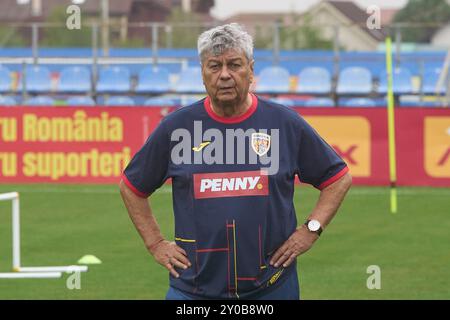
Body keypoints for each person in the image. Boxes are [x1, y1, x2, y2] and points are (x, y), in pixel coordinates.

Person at [119, 23, 352, 300]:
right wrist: (156, 243)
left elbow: (337, 178)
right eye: (214, 66)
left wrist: (311, 230)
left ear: (251, 70)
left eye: (235, 65)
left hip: (272, 284)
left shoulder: (283, 124)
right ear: (202, 74)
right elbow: (132, 186)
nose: (225, 75)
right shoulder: (177, 128)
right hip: (193, 288)